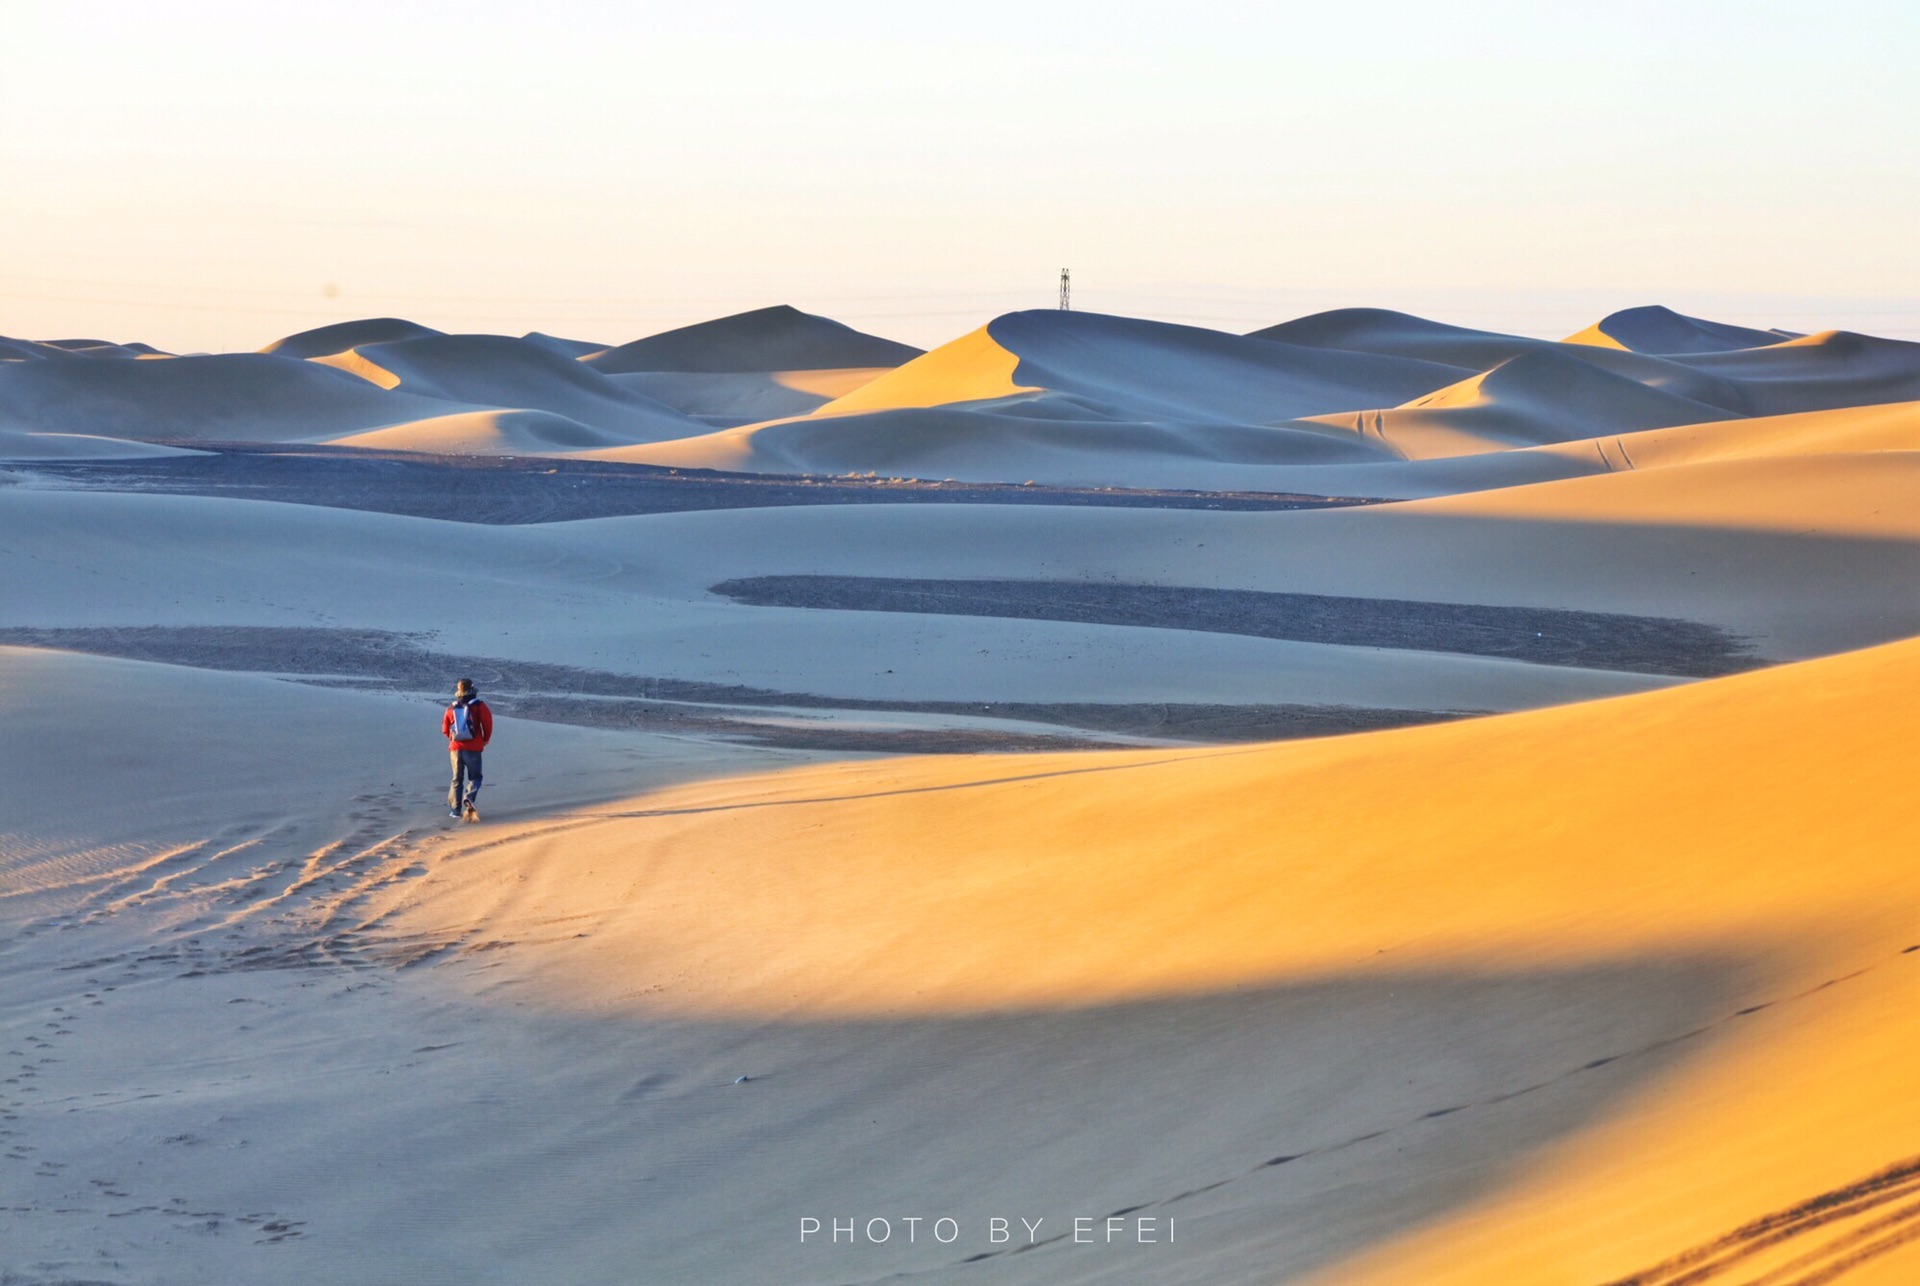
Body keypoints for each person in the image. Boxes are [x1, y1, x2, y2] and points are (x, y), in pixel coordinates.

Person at [442, 678, 493, 822]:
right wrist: (484, 739)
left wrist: (454, 740)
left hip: (455, 749)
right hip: (474, 748)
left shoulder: (451, 707)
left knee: (456, 779)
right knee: (475, 777)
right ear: (472, 689)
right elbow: (487, 723)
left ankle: (455, 810)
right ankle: (469, 797)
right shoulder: (479, 706)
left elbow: (445, 729)